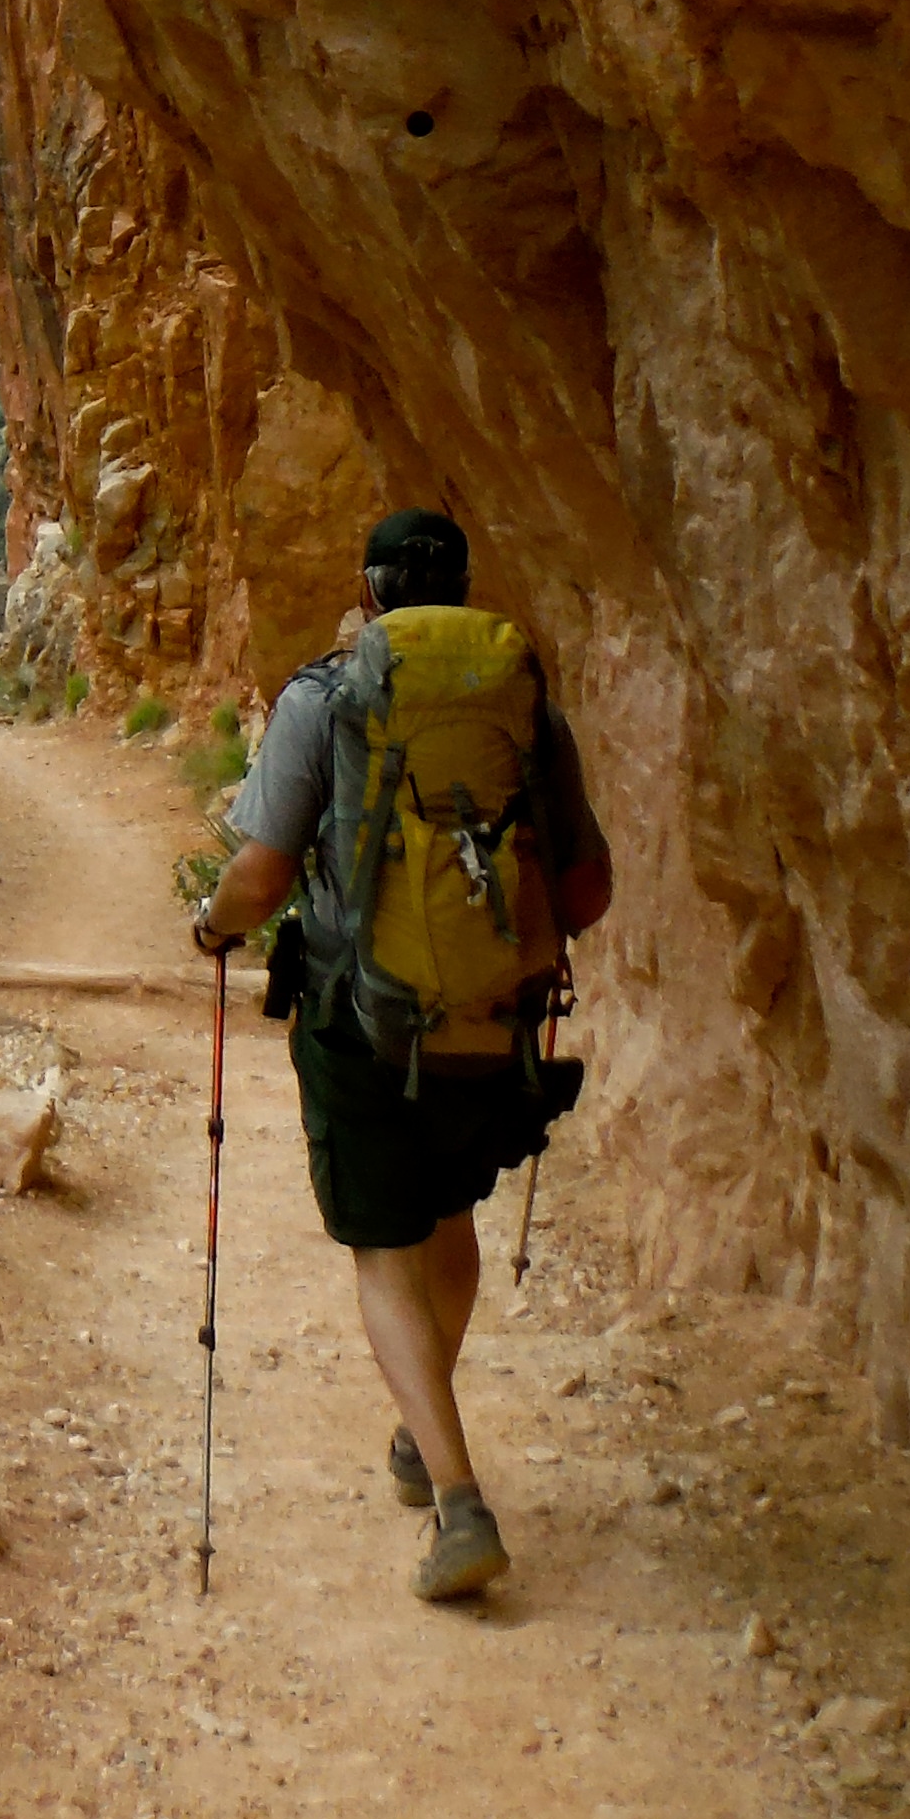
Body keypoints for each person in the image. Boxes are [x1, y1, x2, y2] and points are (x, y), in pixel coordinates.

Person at [189, 506, 610, 1603]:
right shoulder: (525, 711)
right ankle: (423, 1439)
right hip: (488, 1019)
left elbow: (263, 875)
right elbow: (587, 890)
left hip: (357, 1019)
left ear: (368, 593)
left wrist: (212, 927)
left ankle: (460, 1501)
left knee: (384, 1252)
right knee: (450, 1224)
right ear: (464, 589)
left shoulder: (323, 700)